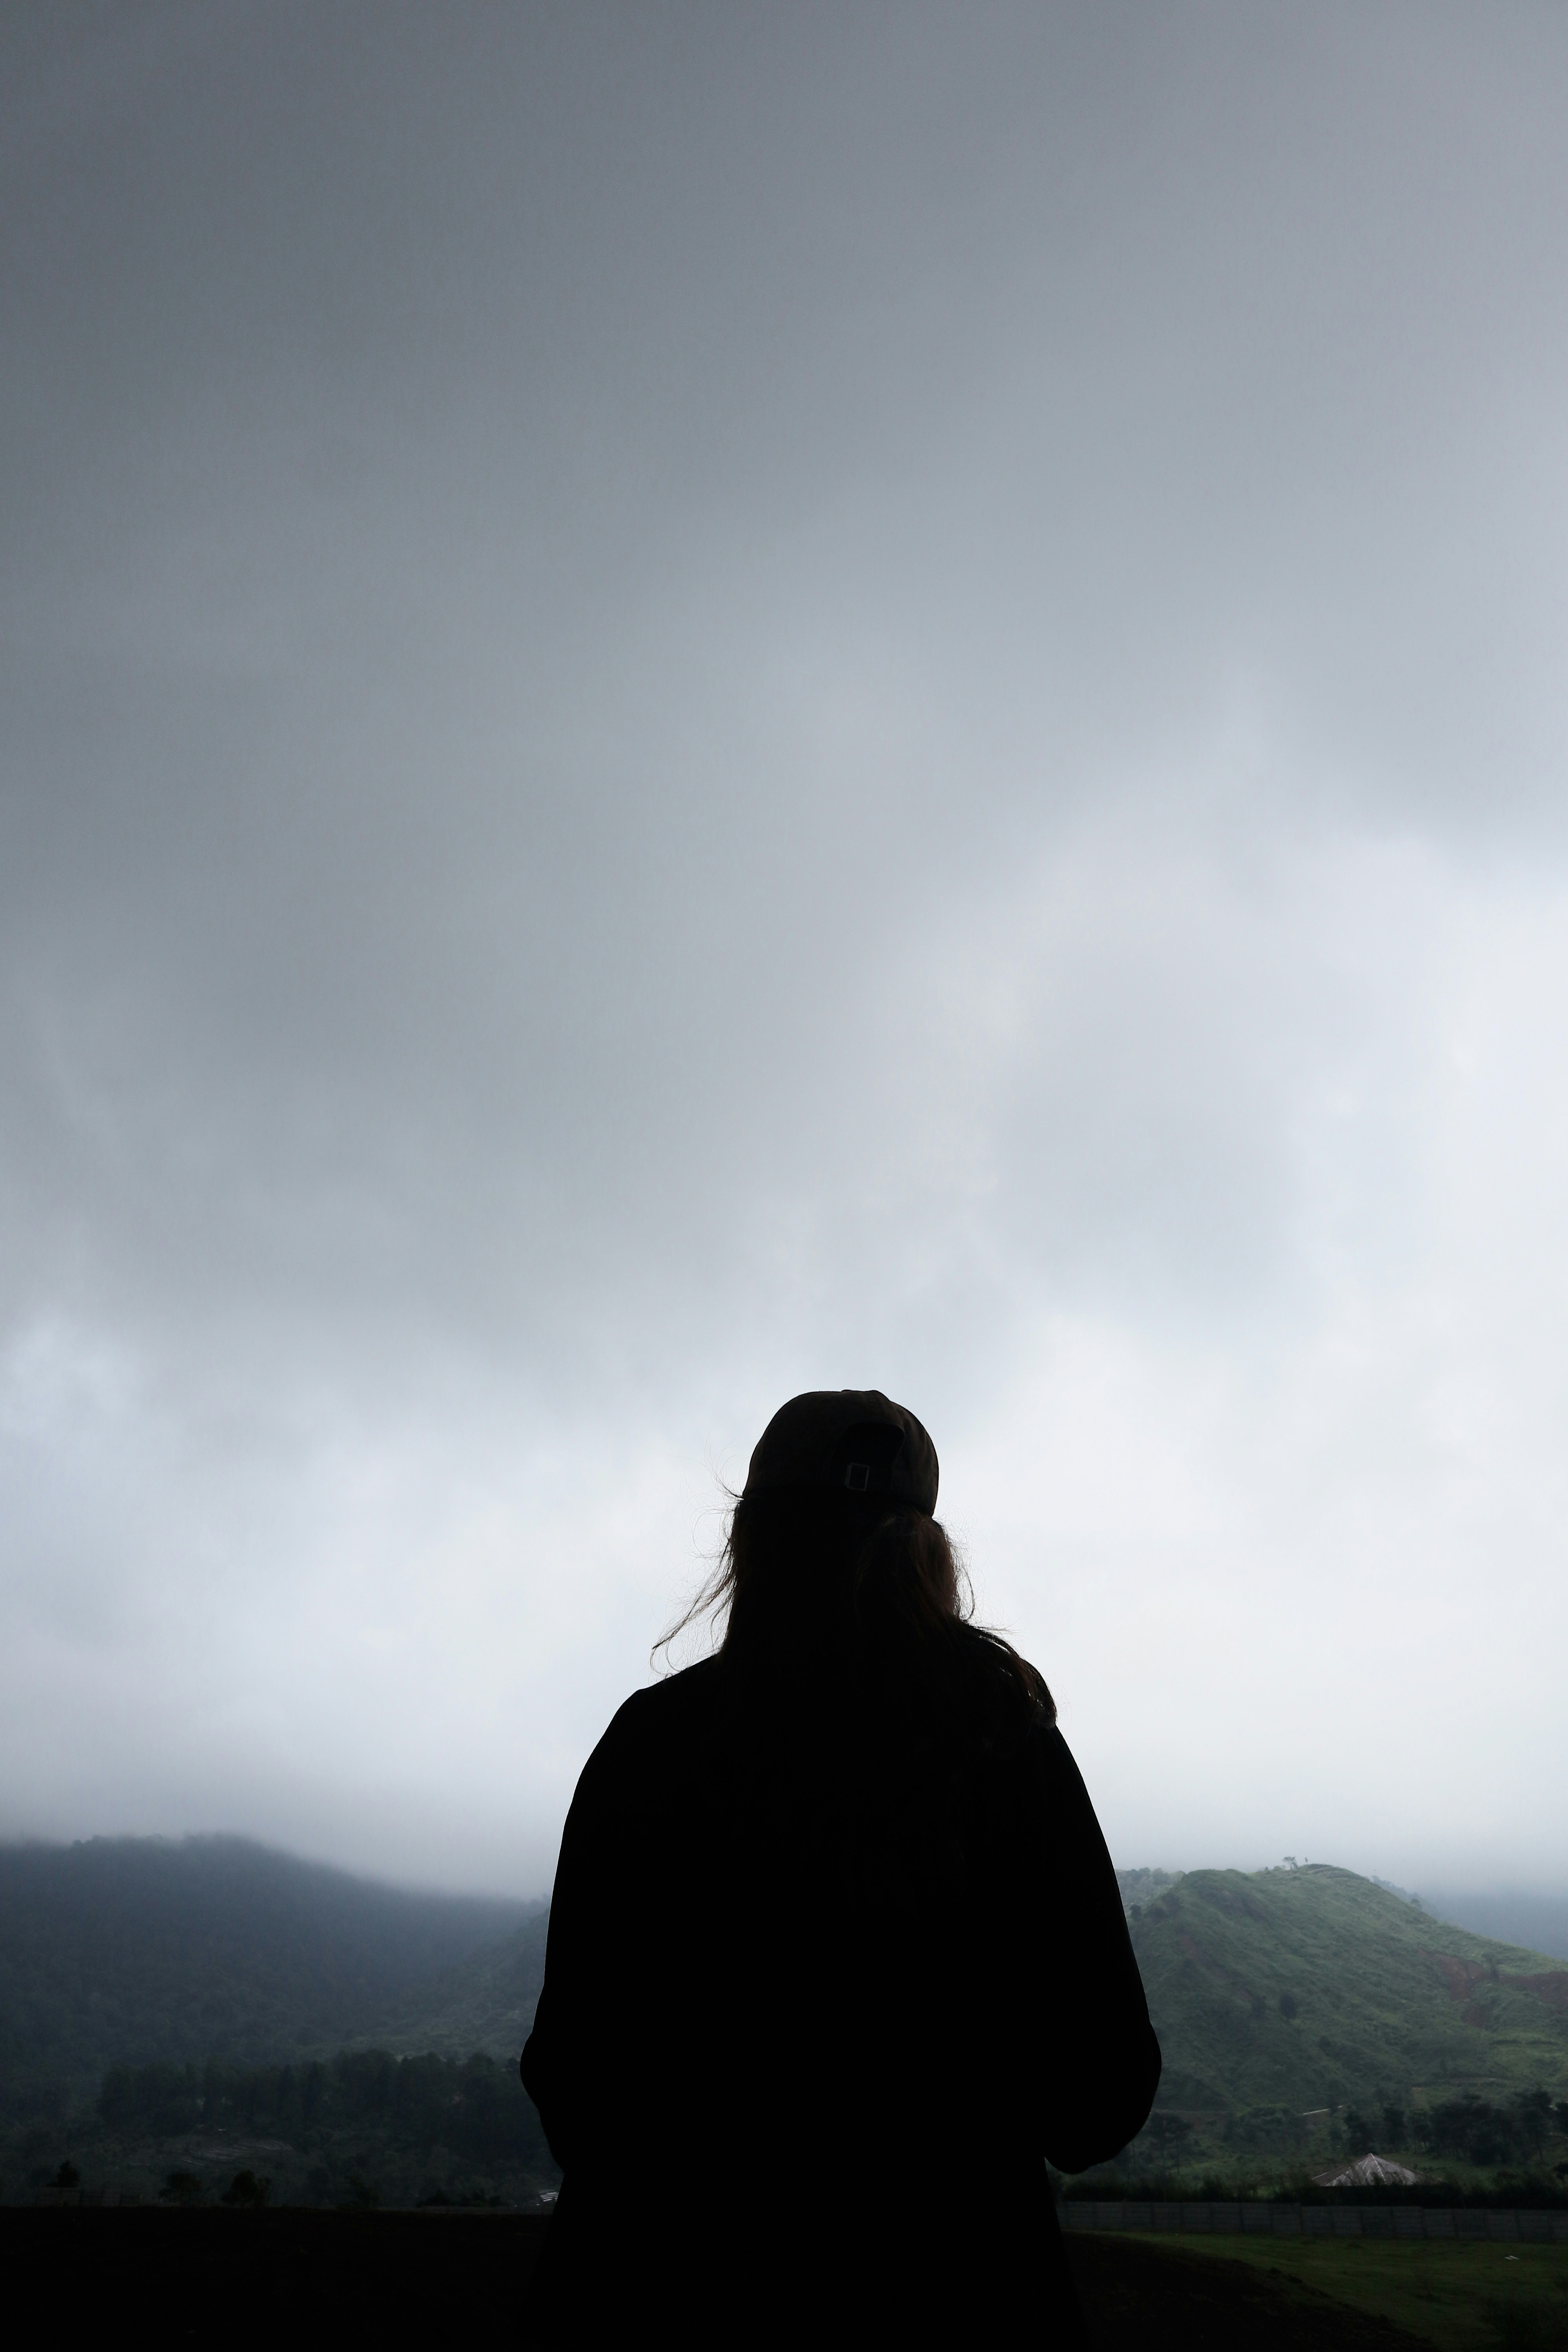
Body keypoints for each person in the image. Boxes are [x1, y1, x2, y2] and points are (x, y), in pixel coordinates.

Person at [520, 1389, 1160, 2346]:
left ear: (745, 1539)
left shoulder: (652, 1748)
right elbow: (1095, 2095)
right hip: (958, 2294)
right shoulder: (1000, 1742)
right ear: (928, 1551)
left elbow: (573, 2078)